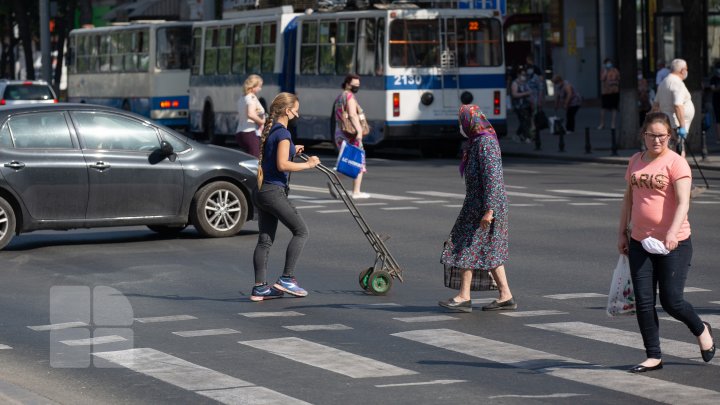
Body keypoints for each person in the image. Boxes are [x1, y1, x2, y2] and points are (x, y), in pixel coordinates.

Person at [617, 112, 715, 372]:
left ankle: (701, 328)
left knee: (672, 301)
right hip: (640, 241)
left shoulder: (676, 163)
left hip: (675, 243)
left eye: (661, 135)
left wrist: (671, 232)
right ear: (644, 136)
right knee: (644, 301)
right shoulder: (635, 161)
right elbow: (628, 199)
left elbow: (684, 202)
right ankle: (653, 356)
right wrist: (621, 232)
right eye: (652, 135)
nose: (656, 140)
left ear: (669, 136)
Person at [438, 105, 516, 313]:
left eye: (460, 120)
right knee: (488, 250)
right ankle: (505, 295)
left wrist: (489, 211)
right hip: (476, 205)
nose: (460, 125)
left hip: (485, 207)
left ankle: (464, 296)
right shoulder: (476, 142)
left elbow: (493, 179)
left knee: (467, 246)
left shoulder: (485, 143)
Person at [250, 92, 321, 301]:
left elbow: (276, 156)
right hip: (273, 191)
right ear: (288, 110)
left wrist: (292, 150)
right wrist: (308, 164)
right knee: (301, 231)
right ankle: (287, 278)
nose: (297, 113)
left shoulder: (272, 130)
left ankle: (260, 288)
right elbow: (282, 165)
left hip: (261, 191)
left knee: (265, 240)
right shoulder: (284, 134)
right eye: (296, 109)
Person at [334, 74, 369, 199]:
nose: (357, 87)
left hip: (340, 134)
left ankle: (335, 183)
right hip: (350, 135)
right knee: (359, 161)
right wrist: (359, 132)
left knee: (348, 162)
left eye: (358, 85)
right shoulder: (349, 97)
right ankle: (356, 192)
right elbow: (353, 115)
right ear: (348, 84)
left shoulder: (340, 97)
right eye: (355, 84)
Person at [653, 58, 695, 157]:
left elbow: (655, 105)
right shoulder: (677, 83)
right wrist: (683, 127)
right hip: (676, 124)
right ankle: (679, 172)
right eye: (686, 69)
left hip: (668, 122)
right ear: (682, 70)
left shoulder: (664, 82)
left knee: (671, 150)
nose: (686, 72)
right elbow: (678, 105)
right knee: (678, 151)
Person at [235, 74, 265, 157]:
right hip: (249, 132)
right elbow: (250, 114)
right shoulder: (251, 98)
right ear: (253, 87)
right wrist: (261, 122)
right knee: (254, 160)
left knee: (248, 158)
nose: (260, 89)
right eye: (259, 86)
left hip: (241, 132)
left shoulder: (242, 97)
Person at [510, 66, 533, 143]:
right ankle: (527, 137)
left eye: (525, 74)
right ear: (518, 75)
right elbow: (514, 94)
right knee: (524, 121)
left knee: (527, 121)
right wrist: (525, 94)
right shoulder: (515, 83)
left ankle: (519, 134)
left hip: (526, 105)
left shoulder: (525, 83)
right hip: (519, 106)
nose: (524, 76)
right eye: (522, 74)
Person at [599, 58, 620, 130]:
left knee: (614, 108)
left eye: (610, 63)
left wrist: (615, 83)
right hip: (606, 92)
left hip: (614, 91)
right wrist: (605, 71)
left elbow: (619, 79)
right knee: (603, 108)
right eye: (607, 63)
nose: (609, 64)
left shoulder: (615, 70)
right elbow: (602, 79)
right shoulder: (603, 71)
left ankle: (613, 124)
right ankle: (602, 123)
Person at [709, 62, 720, 141]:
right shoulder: (713, 78)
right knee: (718, 120)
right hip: (717, 101)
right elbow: (713, 88)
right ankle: (719, 138)